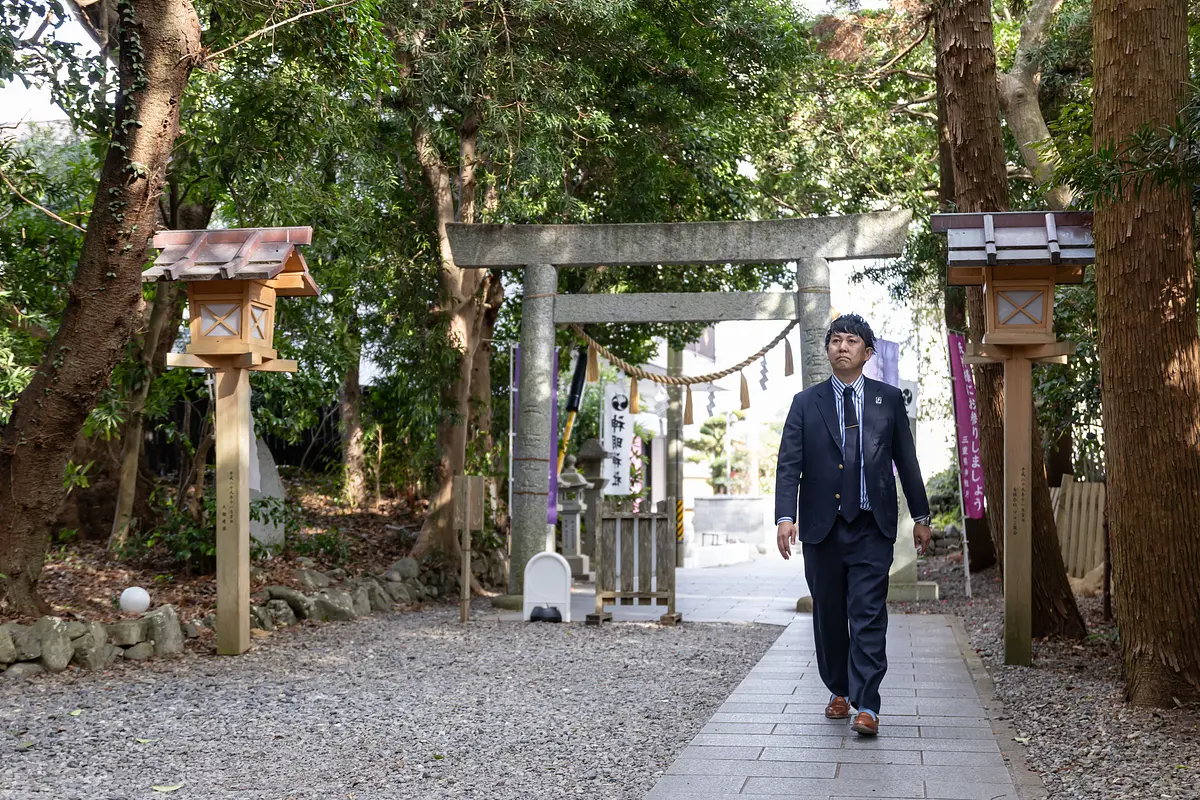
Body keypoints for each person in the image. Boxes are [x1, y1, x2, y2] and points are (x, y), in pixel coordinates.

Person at [773, 313, 931, 737]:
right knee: (829, 614)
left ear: (867, 352)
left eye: (852, 341)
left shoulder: (888, 399)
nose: (842, 347)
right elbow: (789, 465)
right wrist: (785, 518)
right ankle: (838, 691)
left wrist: (921, 516)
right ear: (828, 350)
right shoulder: (806, 403)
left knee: (867, 614)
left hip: (871, 526)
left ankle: (868, 705)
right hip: (822, 530)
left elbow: (906, 461)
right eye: (836, 341)